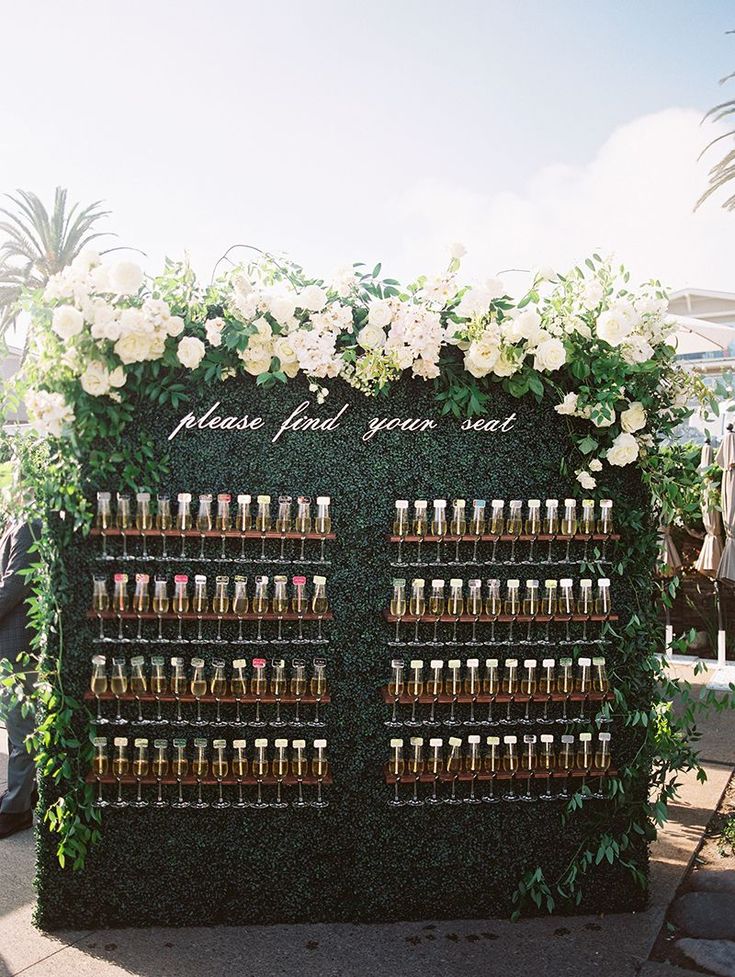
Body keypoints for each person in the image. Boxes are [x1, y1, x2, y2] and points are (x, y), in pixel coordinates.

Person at [0, 516, 39, 839]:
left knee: (21, 725)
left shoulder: (29, 524)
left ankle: (16, 811)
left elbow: (15, 583)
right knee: (16, 726)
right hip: (11, 641)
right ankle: (23, 794)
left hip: (18, 643)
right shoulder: (16, 522)